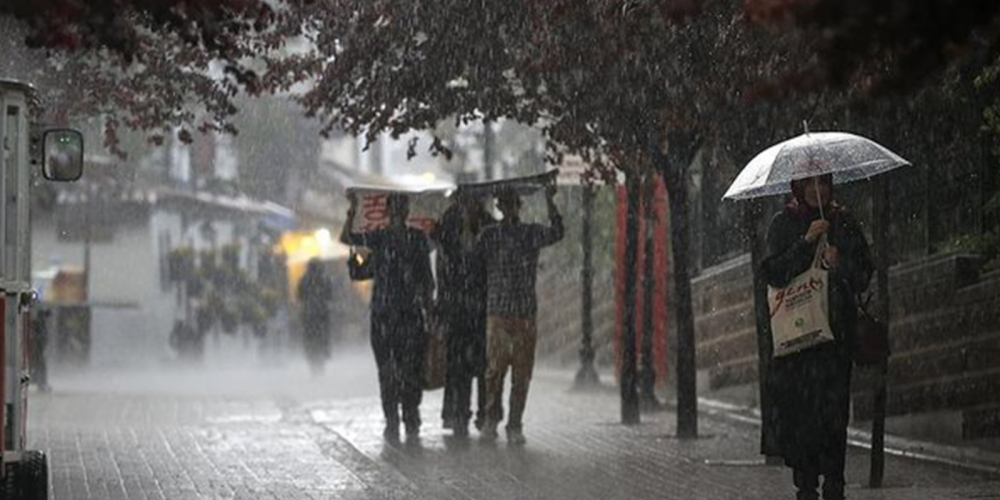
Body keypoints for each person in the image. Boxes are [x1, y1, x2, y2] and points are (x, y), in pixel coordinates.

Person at [761, 174, 873, 500]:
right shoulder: (783, 223)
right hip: (798, 343)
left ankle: (835, 486)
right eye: (808, 184)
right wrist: (805, 244)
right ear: (797, 187)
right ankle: (806, 487)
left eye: (822, 183)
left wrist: (842, 264)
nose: (816, 190)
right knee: (803, 421)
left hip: (834, 342)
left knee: (835, 418)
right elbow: (772, 273)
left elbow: (864, 273)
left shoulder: (843, 222)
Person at [341, 193, 434, 443]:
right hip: (385, 315)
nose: (399, 213)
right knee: (389, 371)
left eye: (401, 208)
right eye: (396, 208)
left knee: (409, 370)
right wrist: (352, 211)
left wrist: (429, 308)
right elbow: (348, 239)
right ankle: (394, 419)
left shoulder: (415, 239)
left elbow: (426, 279)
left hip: (407, 314)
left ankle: (409, 416)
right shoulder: (380, 239)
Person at [476, 182, 564, 445]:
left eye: (512, 203)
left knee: (521, 374)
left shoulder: (530, 233)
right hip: (499, 312)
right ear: (500, 207)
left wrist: (550, 201)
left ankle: (515, 423)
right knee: (495, 371)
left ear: (518, 206)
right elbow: (472, 257)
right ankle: (492, 419)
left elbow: (557, 232)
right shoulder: (489, 235)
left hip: (524, 313)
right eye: (504, 203)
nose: (509, 208)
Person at [431, 190, 496, 438]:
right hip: (456, 307)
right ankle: (459, 414)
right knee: (458, 365)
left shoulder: (487, 225)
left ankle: (484, 413)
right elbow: (440, 251)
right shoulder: (449, 223)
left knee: (481, 364)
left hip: (480, 307)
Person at [297, 258, 334, 376]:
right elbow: (330, 295)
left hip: (308, 315)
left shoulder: (304, 280)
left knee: (310, 340)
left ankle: (313, 364)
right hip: (322, 314)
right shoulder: (325, 279)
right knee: (322, 338)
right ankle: (321, 362)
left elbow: (299, 296)